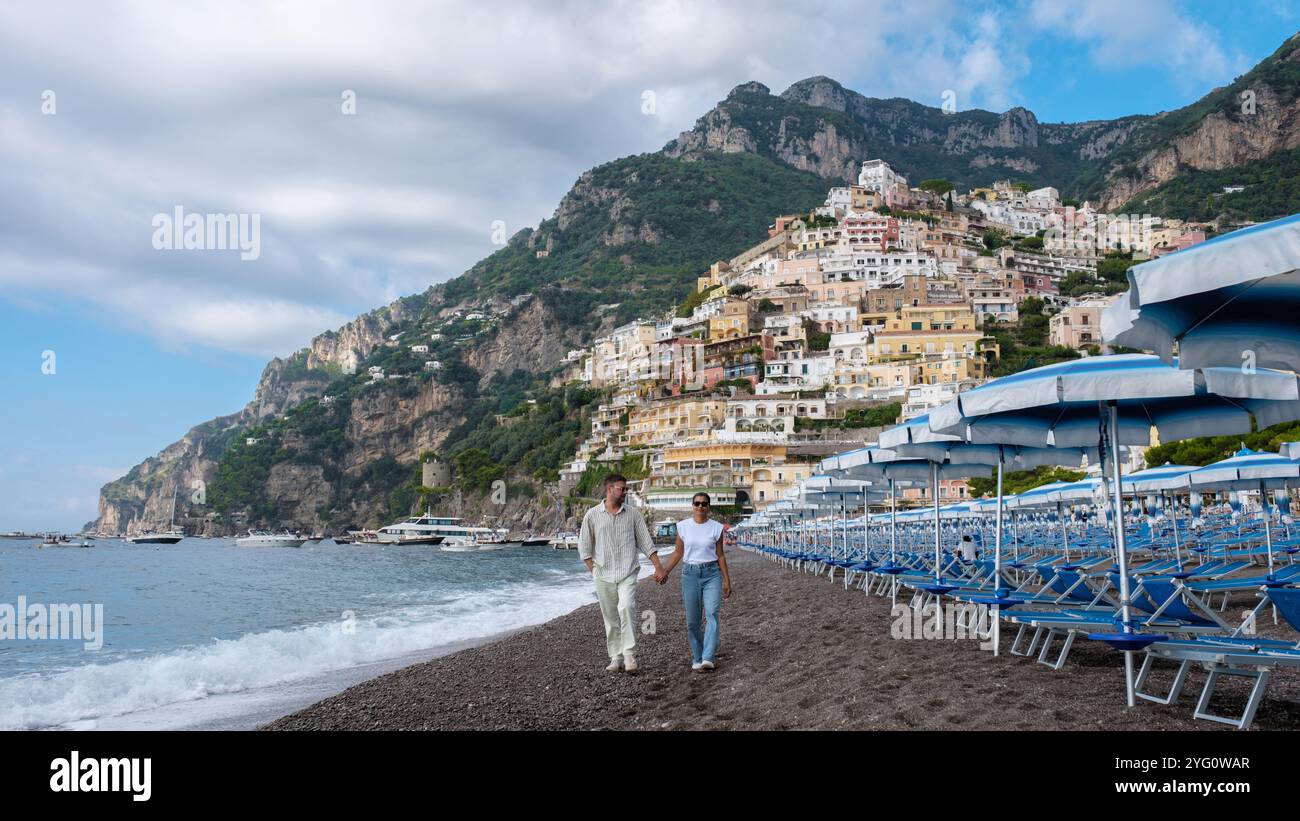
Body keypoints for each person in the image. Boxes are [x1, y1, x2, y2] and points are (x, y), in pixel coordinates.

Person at [577, 474, 665, 674]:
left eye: (625, 489)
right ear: (609, 490)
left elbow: (645, 542)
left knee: (626, 607)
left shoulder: (633, 514)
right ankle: (615, 657)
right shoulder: (592, 515)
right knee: (610, 617)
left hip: (627, 572)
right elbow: (584, 547)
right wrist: (594, 571)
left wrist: (658, 567)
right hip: (603, 574)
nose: (625, 492)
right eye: (621, 489)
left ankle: (629, 654)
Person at [662, 492, 732, 672]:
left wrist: (727, 580)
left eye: (704, 504)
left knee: (712, 614)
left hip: (712, 574)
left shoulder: (716, 528)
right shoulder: (683, 527)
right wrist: (665, 571)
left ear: (709, 507)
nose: (701, 507)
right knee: (693, 621)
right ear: (692, 506)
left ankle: (708, 657)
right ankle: (697, 656)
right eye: (697, 503)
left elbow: (720, 555)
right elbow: (678, 553)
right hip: (690, 574)